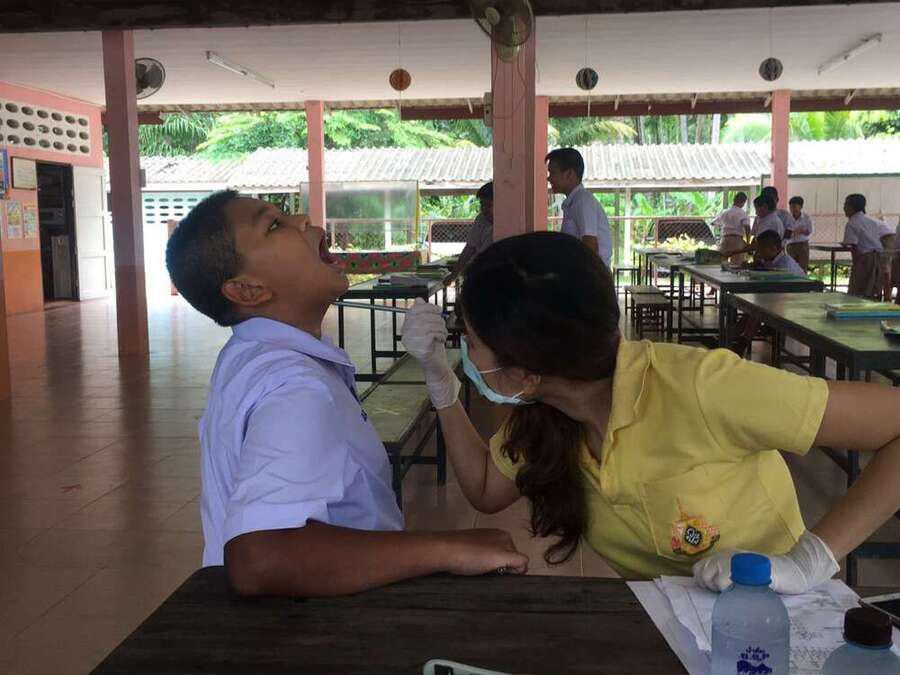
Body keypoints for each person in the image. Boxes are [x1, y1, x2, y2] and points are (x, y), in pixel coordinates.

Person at [401, 231, 900, 593]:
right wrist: (441, 385)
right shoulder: (548, 419)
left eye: (470, 341)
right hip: (670, 629)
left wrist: (807, 562)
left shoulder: (702, 387)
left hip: (781, 617)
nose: (464, 351)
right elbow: (485, 489)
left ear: (526, 373)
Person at [165, 190, 527, 598]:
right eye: (274, 225)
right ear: (248, 290)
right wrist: (446, 550)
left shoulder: (249, 354)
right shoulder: (295, 385)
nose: (303, 219)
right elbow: (260, 557)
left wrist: (439, 377)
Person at [730, 230, 805, 356]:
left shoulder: (784, 264)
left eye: (760, 250)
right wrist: (754, 265)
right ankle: (731, 338)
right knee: (753, 309)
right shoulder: (771, 259)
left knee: (758, 309)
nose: (758, 253)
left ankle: (740, 342)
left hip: (797, 302)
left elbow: (774, 283)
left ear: (773, 249)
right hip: (781, 298)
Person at [545, 147, 612, 267]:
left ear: (569, 174)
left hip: (592, 275)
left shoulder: (582, 200)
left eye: (553, 173)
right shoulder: (574, 201)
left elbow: (590, 247)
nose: (548, 178)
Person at [842, 193, 891, 299]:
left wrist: (856, 265)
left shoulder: (851, 223)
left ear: (852, 207)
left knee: (858, 290)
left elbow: (853, 246)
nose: (844, 208)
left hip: (864, 258)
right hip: (877, 257)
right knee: (873, 288)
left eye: (845, 205)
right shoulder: (871, 221)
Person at [447, 181, 493, 285]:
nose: (484, 209)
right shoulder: (481, 219)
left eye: (488, 205)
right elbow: (470, 248)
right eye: (482, 204)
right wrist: (453, 275)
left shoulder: (508, 223)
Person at [714, 192, 751, 265]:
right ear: (743, 202)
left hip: (725, 238)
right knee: (737, 263)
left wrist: (718, 236)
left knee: (721, 261)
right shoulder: (742, 213)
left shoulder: (725, 212)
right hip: (737, 240)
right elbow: (747, 227)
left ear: (734, 200)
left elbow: (715, 223)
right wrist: (748, 242)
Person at [785, 196, 813, 272]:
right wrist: (792, 232)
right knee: (791, 268)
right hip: (791, 245)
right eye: (790, 207)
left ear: (800, 207)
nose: (792, 209)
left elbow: (810, 231)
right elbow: (785, 232)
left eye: (794, 206)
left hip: (803, 245)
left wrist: (801, 231)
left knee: (803, 268)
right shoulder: (787, 218)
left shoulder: (806, 217)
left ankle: (803, 279)